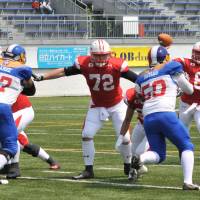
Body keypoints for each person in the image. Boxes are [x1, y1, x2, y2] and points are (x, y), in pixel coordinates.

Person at [33, 39, 138, 179]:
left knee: (125, 138)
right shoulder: (84, 64)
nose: (100, 58)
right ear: (91, 54)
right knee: (86, 135)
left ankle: (127, 165)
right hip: (96, 104)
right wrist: (42, 77)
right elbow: (63, 72)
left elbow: (137, 79)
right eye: (97, 55)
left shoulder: (116, 65)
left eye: (103, 55)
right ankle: (89, 170)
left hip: (117, 104)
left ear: (109, 54)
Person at [129, 45, 199, 190]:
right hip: (165, 113)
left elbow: (140, 96)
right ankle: (187, 181)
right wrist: (179, 88)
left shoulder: (141, 76)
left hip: (148, 117)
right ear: (166, 57)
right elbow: (190, 90)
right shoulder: (171, 66)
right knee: (186, 145)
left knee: (159, 154)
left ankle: (140, 158)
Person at [3, 94, 60, 179]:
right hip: (10, 113)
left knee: (10, 136)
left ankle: (14, 167)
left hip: (22, 110)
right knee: (23, 144)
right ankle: (52, 161)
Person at [0, 44, 35, 178]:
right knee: (10, 145)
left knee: (8, 138)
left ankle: (12, 167)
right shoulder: (23, 69)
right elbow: (31, 90)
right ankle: (11, 166)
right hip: (3, 108)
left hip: (21, 111)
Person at [115, 87, 149, 175]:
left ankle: (139, 167)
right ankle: (135, 171)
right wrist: (120, 137)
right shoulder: (132, 97)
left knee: (139, 152)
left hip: (155, 127)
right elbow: (127, 119)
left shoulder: (154, 97)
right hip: (141, 124)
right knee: (133, 150)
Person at [174, 42, 200, 135]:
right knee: (182, 132)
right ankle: (184, 149)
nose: (197, 55)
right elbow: (176, 61)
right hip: (186, 103)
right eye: (196, 52)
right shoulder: (187, 63)